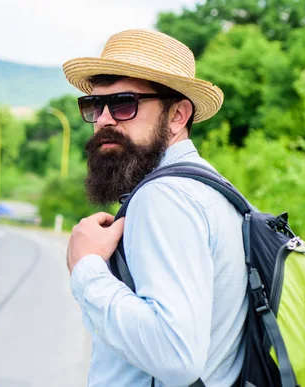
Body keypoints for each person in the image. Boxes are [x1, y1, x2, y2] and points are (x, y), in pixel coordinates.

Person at [62, 29, 248, 386]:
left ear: (178, 114)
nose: (103, 119)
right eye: (94, 105)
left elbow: (176, 356)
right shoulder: (212, 189)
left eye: (124, 103)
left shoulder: (163, 198)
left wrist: (85, 268)